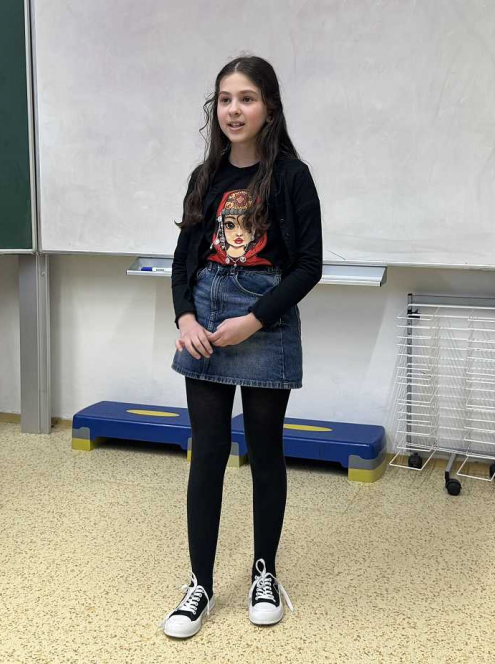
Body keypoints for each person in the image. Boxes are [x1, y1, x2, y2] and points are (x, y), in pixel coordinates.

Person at [160, 55, 323, 639]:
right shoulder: (204, 177)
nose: (234, 110)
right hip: (204, 322)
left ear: (269, 108)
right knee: (206, 453)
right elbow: (183, 260)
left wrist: (252, 321)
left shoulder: (292, 177)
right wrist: (184, 316)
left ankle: (264, 574)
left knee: (264, 451)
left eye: (247, 98)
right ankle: (199, 584)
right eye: (226, 99)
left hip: (265, 321)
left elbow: (308, 267)